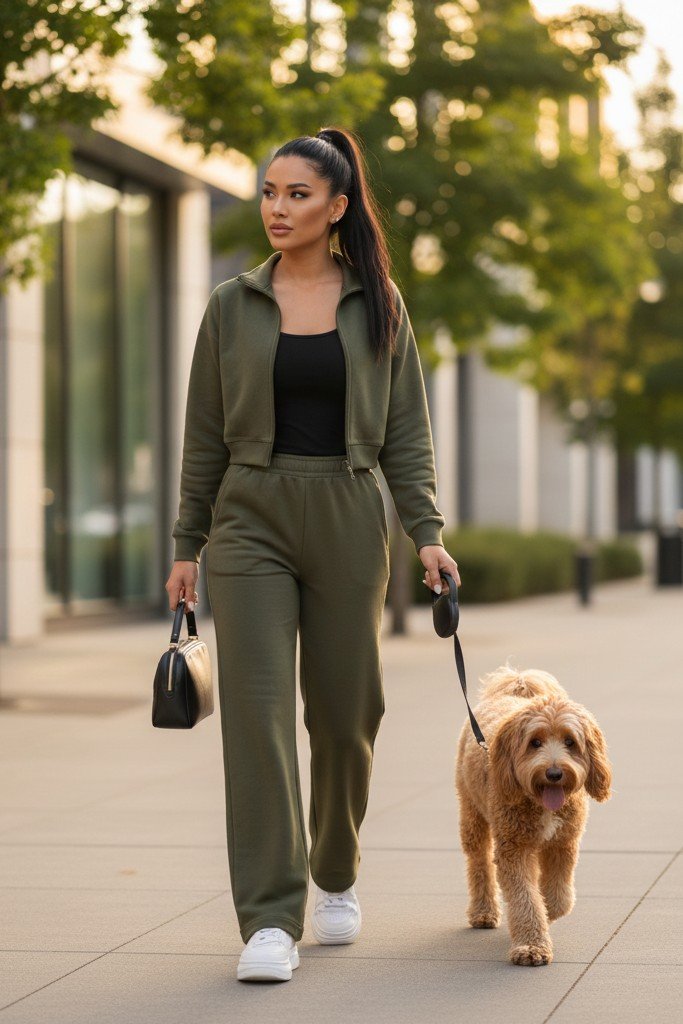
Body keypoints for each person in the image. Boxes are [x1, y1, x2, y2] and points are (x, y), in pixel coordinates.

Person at [164, 126, 461, 983]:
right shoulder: (231, 305)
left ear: (336, 208)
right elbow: (203, 436)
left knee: (344, 713)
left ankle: (336, 869)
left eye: (296, 195)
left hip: (347, 507)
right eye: (267, 192)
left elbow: (406, 432)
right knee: (255, 717)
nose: (277, 208)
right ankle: (268, 917)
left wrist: (427, 532)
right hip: (250, 514)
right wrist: (189, 543)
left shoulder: (381, 304)